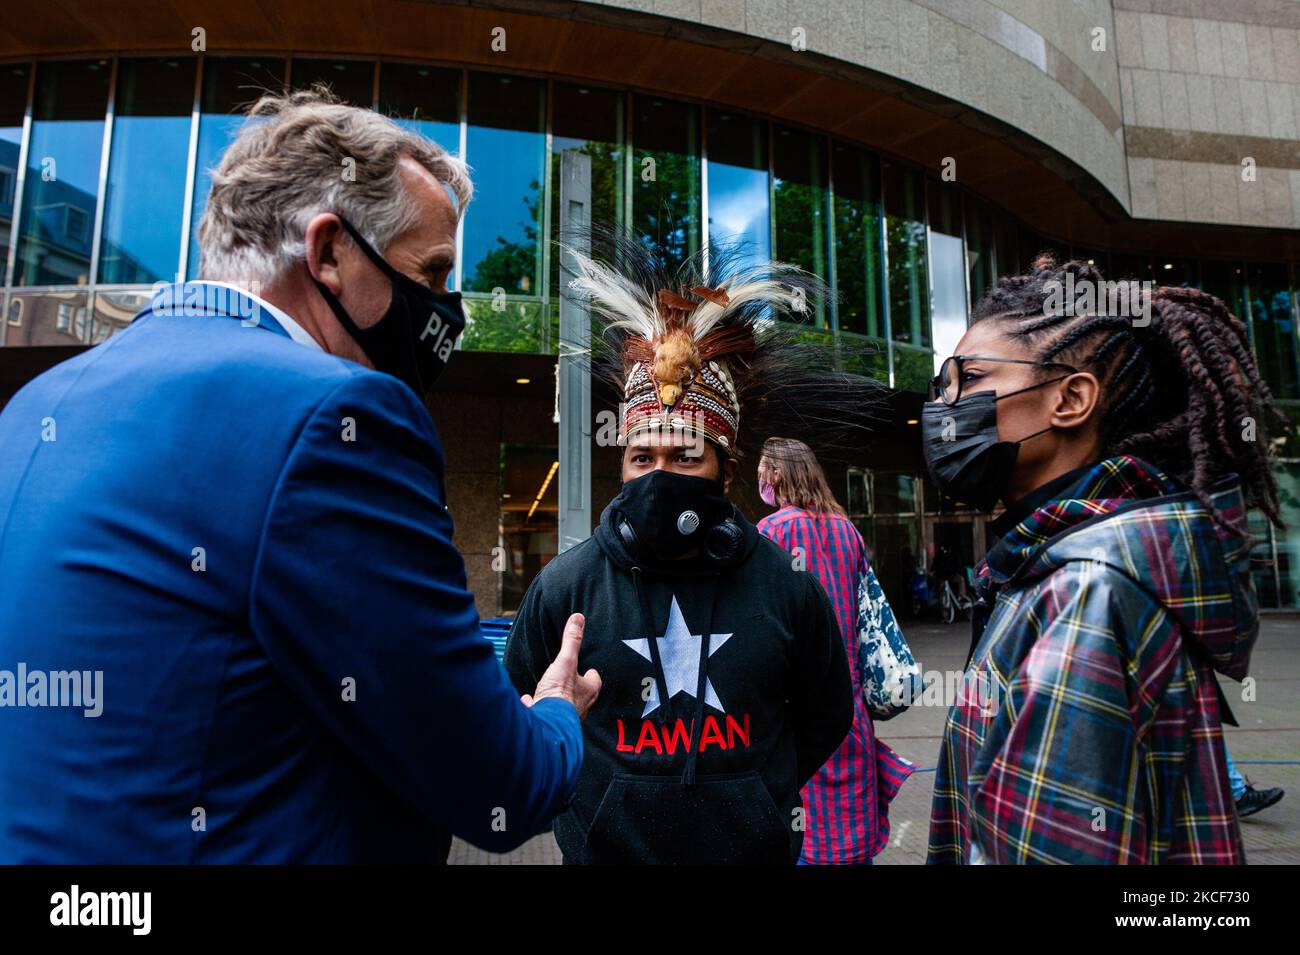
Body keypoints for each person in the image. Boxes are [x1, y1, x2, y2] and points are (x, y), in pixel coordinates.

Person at [0, 88, 598, 863]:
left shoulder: (31, 407)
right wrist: (555, 717)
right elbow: (497, 783)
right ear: (327, 253)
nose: (450, 309)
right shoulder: (339, 419)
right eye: (435, 271)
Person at [503, 236, 869, 864]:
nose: (658, 474)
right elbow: (517, 713)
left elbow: (825, 712)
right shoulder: (566, 587)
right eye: (642, 456)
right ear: (621, 465)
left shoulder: (785, 584)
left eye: (684, 457)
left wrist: (755, 797)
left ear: (726, 474)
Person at [925, 255, 1284, 865]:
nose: (945, 408)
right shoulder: (1052, 564)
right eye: (943, 386)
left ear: (1070, 399)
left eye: (972, 379)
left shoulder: (1087, 589)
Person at [755, 437, 914, 865]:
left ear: (775, 476)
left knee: (800, 842)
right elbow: (870, 620)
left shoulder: (771, 533)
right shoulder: (848, 532)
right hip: (850, 717)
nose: (759, 481)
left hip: (794, 723)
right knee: (850, 844)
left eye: (762, 472)